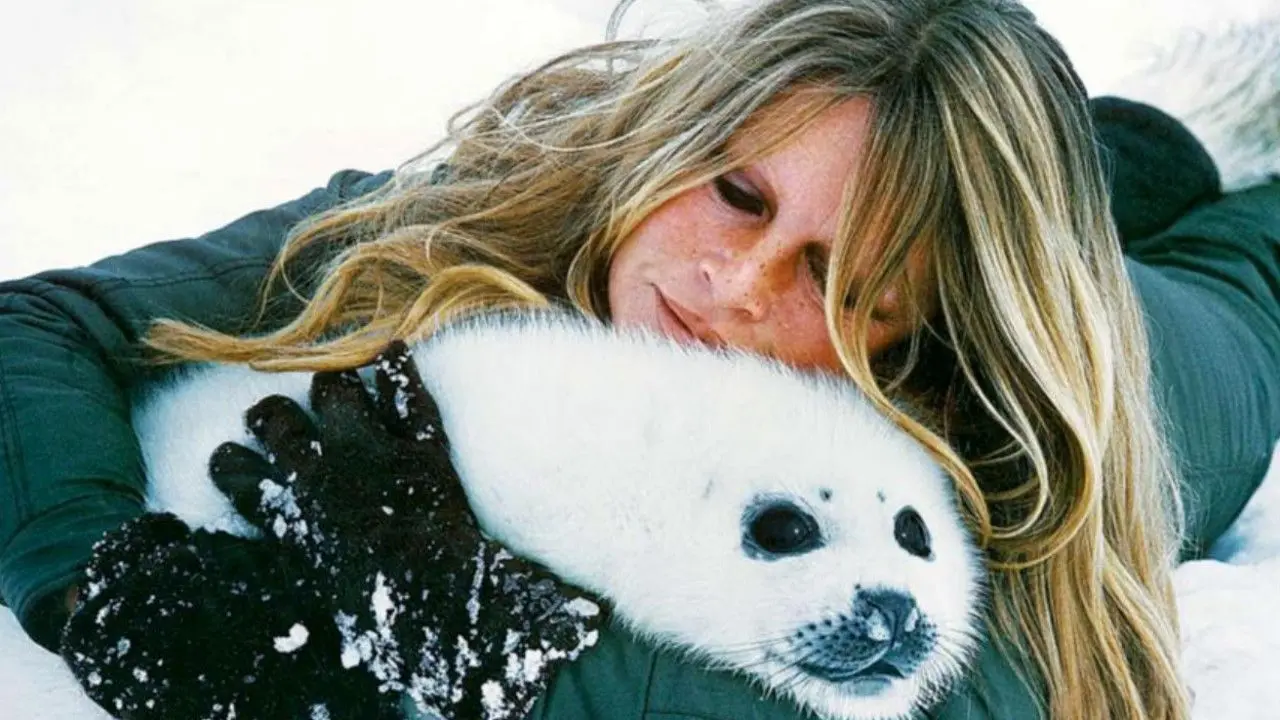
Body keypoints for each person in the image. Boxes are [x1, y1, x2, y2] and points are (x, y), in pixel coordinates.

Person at [1, 0, 1277, 717]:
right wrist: (101, 584)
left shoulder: (1047, 422)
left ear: (929, 333)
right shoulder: (517, 197)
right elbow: (38, 326)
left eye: (840, 284)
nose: (731, 285)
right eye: (734, 191)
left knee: (1241, 260)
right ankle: (1128, 144)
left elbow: (944, 696)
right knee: (1004, 159)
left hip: (1185, 335)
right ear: (680, 138)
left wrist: (491, 653)